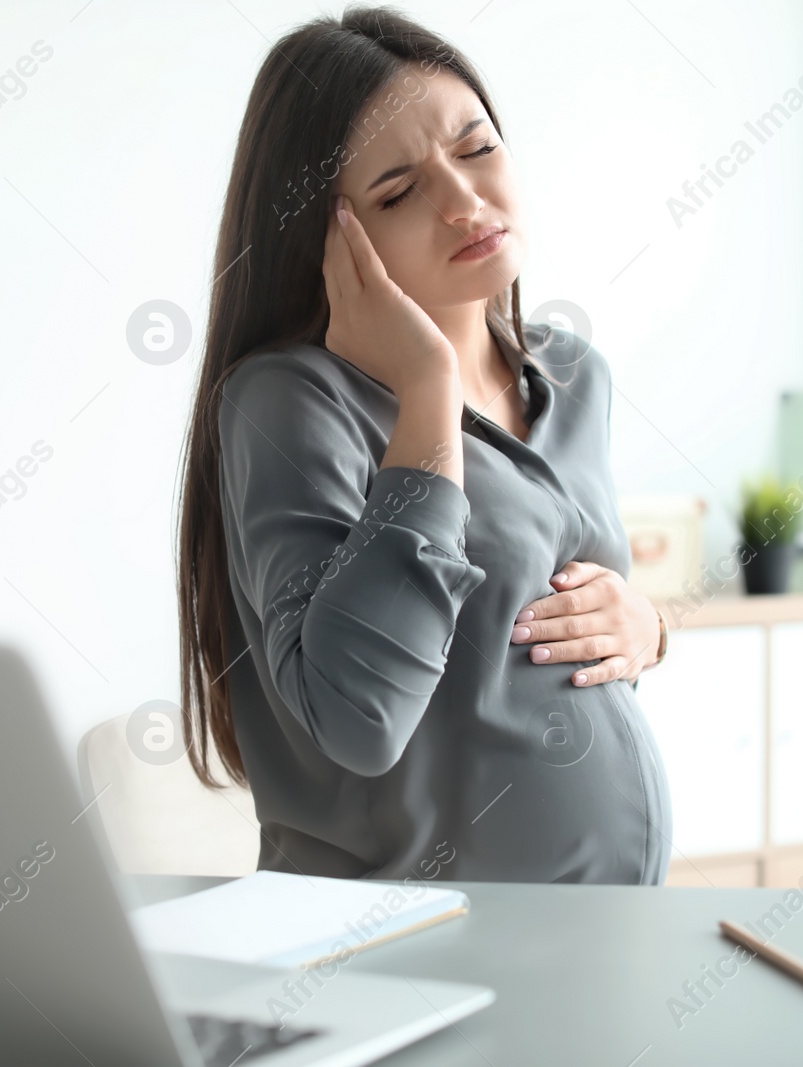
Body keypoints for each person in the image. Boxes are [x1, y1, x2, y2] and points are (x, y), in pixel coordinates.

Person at [175, 4, 672, 884]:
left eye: (477, 149)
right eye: (400, 192)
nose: (465, 201)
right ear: (329, 240)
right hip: (407, 949)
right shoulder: (286, 402)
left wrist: (648, 627)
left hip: (601, 933)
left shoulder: (572, 374)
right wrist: (429, 393)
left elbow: (551, 622)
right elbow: (359, 717)